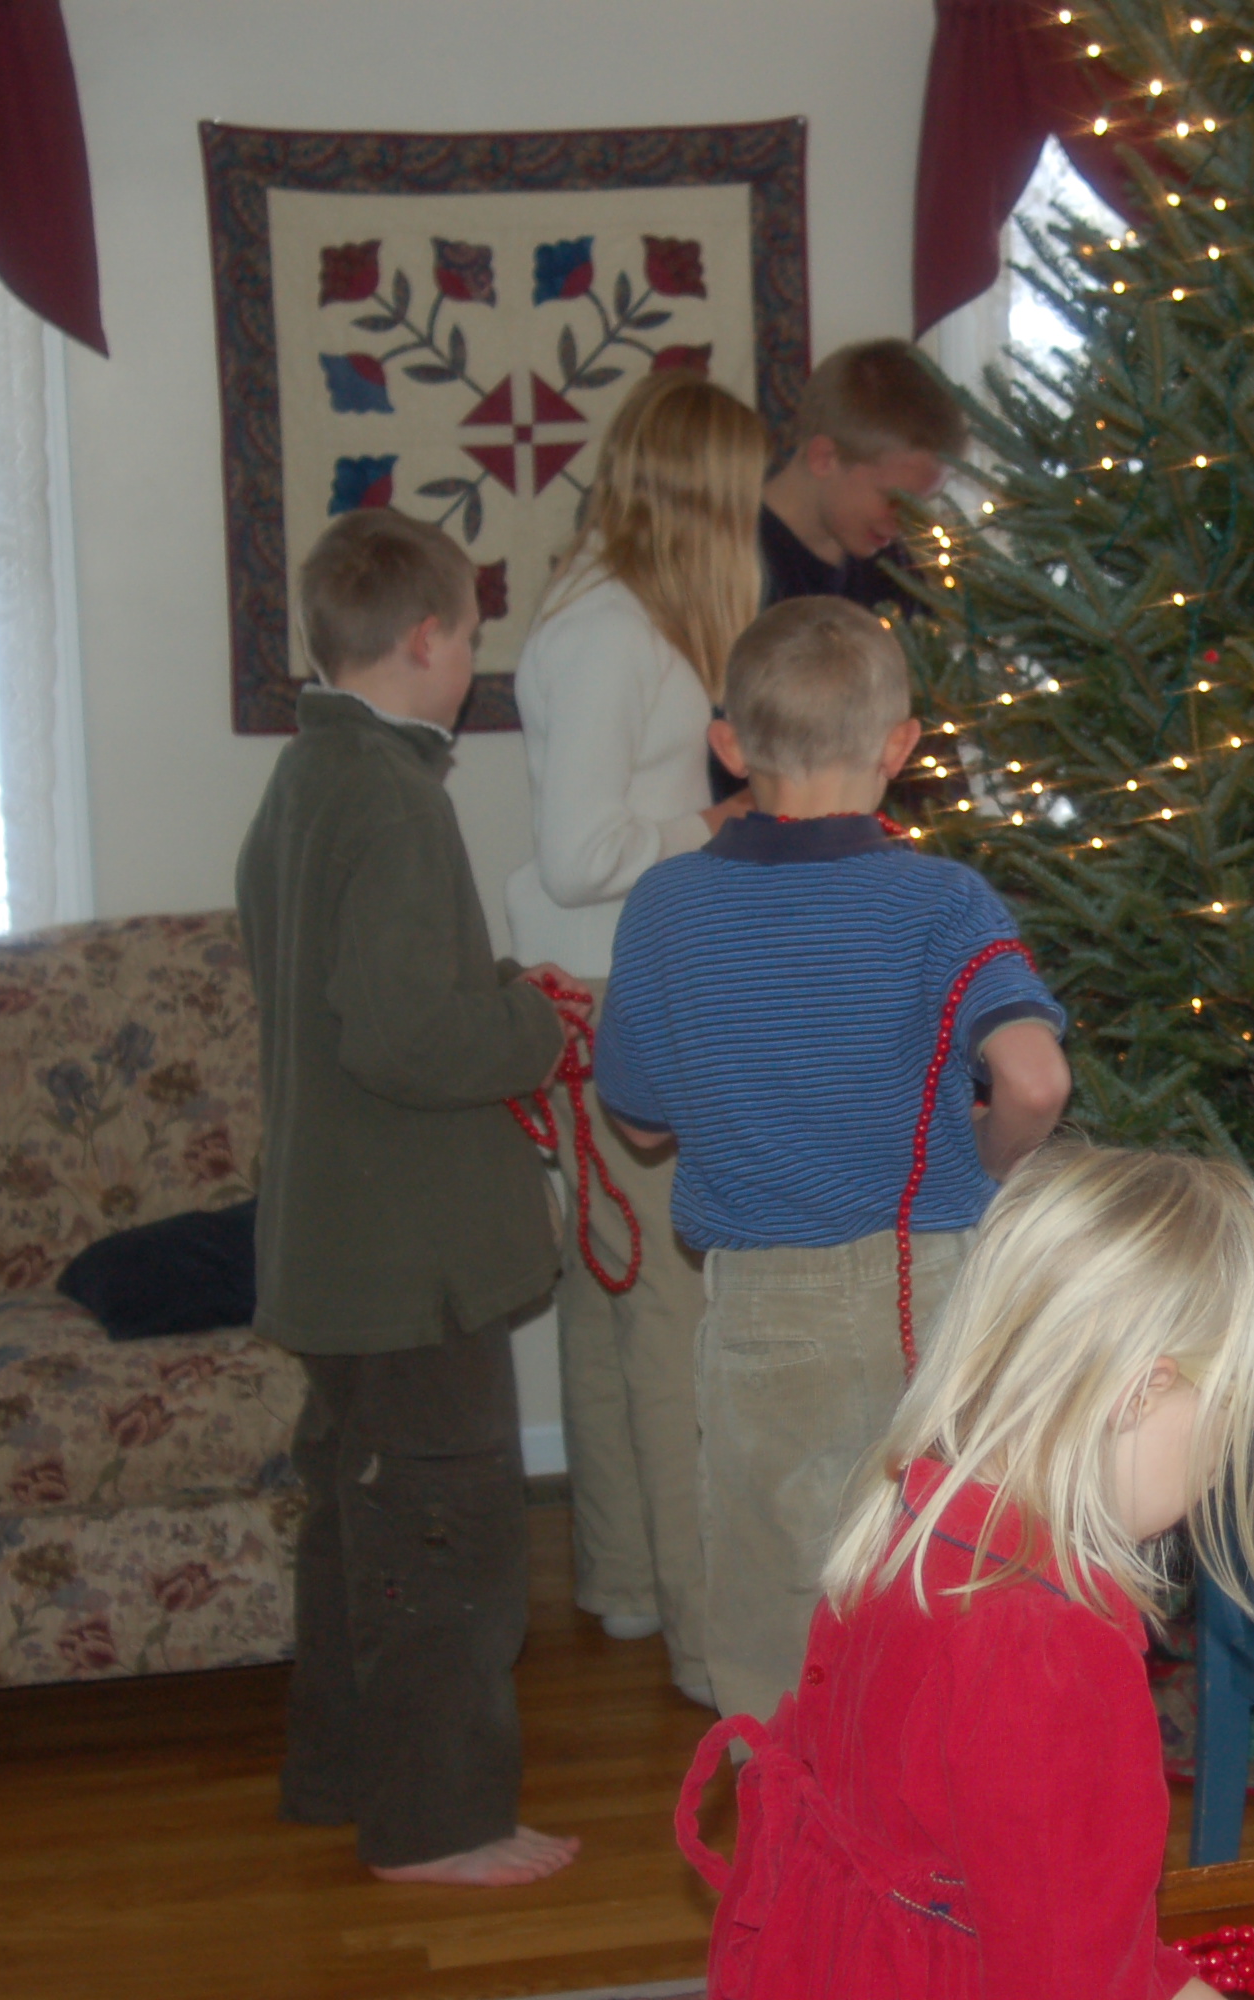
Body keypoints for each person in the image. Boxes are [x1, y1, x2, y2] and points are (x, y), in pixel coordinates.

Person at [677, 1141, 1254, 1999]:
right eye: (1234, 1414)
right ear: (1139, 1392)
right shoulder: (1052, 1651)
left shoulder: (910, 1521)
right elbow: (1073, 1983)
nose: (1226, 1460)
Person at [592, 594, 1071, 1723]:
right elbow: (1035, 1079)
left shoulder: (667, 905)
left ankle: (796, 1825)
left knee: (778, 1620)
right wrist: (988, 1163)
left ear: (729, 745)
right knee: (946, 1589)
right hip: (938, 1292)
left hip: (768, 1311)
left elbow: (641, 1120)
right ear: (900, 747)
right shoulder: (944, 899)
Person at [236, 507, 578, 1888]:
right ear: (426, 638)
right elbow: (399, 1035)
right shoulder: (393, 795)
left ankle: (337, 1776)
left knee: (357, 1529)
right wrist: (533, 1027)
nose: (473, 662)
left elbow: (358, 1000)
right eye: (475, 636)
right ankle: (437, 1823)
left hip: (339, 1247)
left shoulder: (308, 777)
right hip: (407, 1261)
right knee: (445, 1537)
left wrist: (491, 992)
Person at [506, 371, 766, 1691]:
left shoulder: (611, 612)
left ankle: (620, 1585)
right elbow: (577, 854)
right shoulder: (612, 629)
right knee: (664, 1301)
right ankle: (704, 1637)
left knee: (607, 1289)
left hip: (609, 977)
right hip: (612, 986)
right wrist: (709, 826)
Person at [757, 337, 968, 617]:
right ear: (824, 458)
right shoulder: (732, 560)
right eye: (894, 499)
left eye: (918, 504)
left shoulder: (896, 571)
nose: (904, 523)